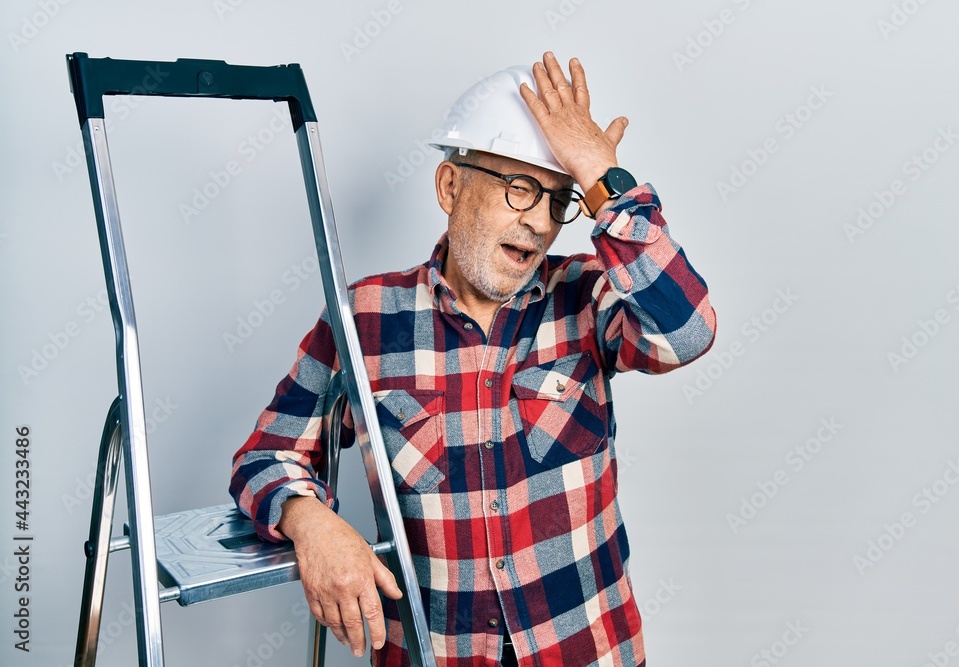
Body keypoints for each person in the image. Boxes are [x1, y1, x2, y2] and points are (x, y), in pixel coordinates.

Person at [230, 52, 717, 666]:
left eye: (560, 199)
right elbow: (267, 456)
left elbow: (689, 330)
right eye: (520, 189)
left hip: (588, 651)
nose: (540, 222)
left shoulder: (589, 297)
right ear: (451, 186)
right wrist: (310, 523)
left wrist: (604, 179)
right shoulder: (365, 319)